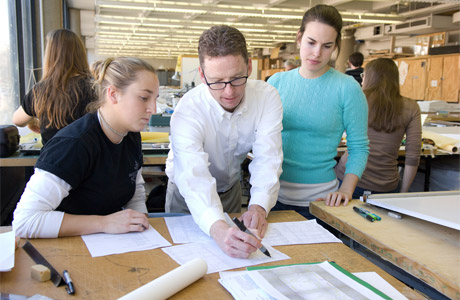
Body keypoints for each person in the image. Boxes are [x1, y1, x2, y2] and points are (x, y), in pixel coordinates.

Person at [165, 25, 283, 258]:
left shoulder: (266, 97)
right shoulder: (188, 110)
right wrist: (217, 228)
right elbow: (193, 177)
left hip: (230, 190)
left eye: (237, 78)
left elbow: (268, 157)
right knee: (187, 259)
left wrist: (258, 205)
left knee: (232, 260)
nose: (228, 91)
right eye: (217, 81)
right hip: (186, 195)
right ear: (202, 75)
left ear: (249, 66)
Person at [13, 57, 159, 238]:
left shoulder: (130, 134)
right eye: (144, 98)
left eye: (155, 98)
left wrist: (142, 226)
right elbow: (25, 221)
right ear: (113, 94)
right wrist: (104, 223)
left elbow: (135, 192)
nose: (153, 108)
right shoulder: (74, 144)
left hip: (109, 242)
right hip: (67, 246)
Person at [267, 5, 369, 219]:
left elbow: (359, 147)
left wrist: (346, 190)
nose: (316, 53)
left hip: (322, 202)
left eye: (327, 46)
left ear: (335, 47)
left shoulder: (347, 88)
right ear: (299, 38)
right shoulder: (277, 82)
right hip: (271, 197)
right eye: (311, 42)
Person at [336, 58, 421, 198]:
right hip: (386, 185)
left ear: (369, 77)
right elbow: (413, 154)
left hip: (348, 180)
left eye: (364, 76)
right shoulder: (411, 107)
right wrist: (403, 193)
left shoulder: (357, 98)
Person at [12, 29, 97, 145]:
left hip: (53, 160)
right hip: (90, 159)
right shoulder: (94, 86)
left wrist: (34, 118)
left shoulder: (40, 90)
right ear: (80, 54)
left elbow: (17, 120)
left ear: (50, 56)